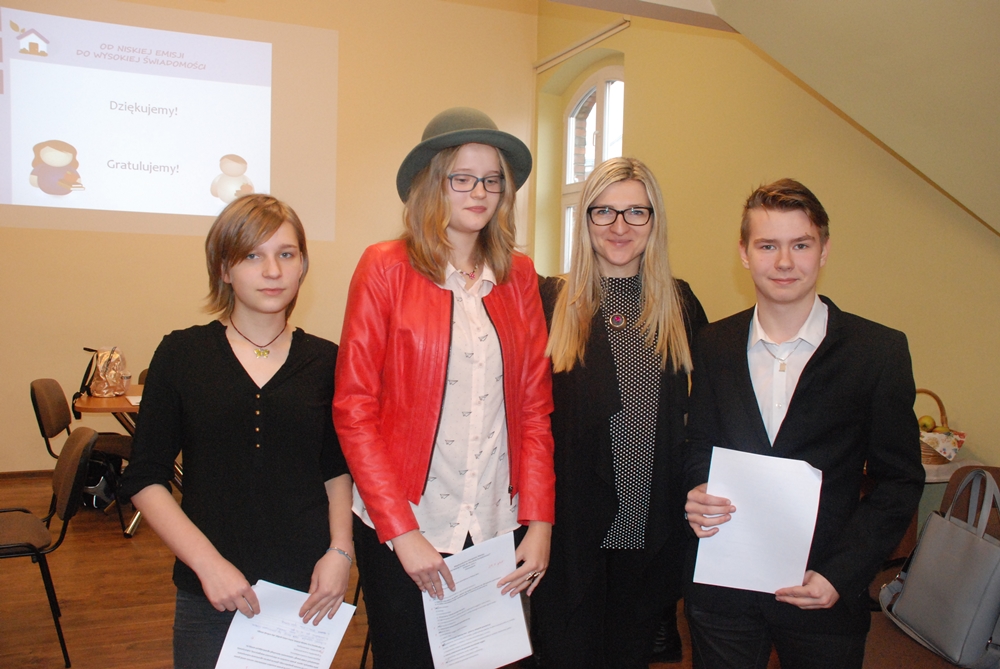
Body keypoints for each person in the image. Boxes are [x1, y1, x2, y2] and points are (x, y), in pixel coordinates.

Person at [333, 107, 556, 669]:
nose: (479, 192)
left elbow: (534, 410)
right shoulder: (385, 267)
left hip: (494, 523)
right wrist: (401, 531)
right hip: (408, 524)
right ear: (433, 183)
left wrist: (540, 522)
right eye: (463, 178)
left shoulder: (519, 276)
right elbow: (354, 409)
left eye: (492, 180)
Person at [683, 179, 924, 669]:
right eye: (767, 245)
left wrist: (842, 573)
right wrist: (695, 489)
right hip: (725, 588)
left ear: (824, 250)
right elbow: (698, 444)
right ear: (744, 253)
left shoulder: (877, 352)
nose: (784, 262)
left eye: (800, 245)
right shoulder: (713, 344)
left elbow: (899, 481)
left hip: (823, 591)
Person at [120, 194, 354, 669]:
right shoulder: (181, 355)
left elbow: (335, 471)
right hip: (210, 591)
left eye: (286, 254)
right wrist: (209, 566)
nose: (273, 271)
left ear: (303, 265)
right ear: (224, 269)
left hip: (308, 589)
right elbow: (145, 478)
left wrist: (340, 552)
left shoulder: (327, 360)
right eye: (252, 255)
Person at [532, 157, 707, 668]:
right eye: (603, 211)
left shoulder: (679, 303)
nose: (619, 226)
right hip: (568, 533)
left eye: (636, 212)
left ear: (655, 220)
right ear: (585, 219)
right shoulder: (551, 301)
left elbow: (708, 412)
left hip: (649, 530)